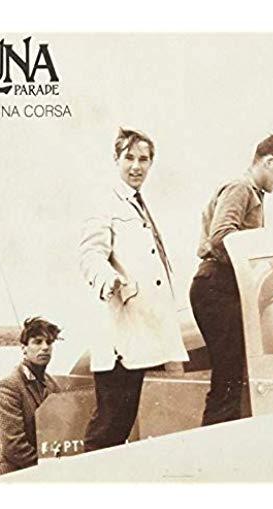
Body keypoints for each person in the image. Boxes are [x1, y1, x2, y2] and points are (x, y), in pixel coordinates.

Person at [79, 127, 188, 452]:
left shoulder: (139, 205)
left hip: (146, 333)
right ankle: (87, 478)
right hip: (122, 334)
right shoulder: (104, 202)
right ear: (116, 159)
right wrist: (106, 278)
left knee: (124, 422)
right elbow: (90, 253)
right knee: (109, 425)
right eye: (129, 158)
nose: (136, 166)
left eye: (144, 159)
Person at [190, 134, 273, 426]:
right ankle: (216, 439)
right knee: (228, 374)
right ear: (268, 162)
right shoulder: (241, 188)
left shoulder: (254, 195)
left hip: (225, 286)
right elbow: (221, 236)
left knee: (232, 374)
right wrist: (264, 256)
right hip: (217, 285)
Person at [0, 316, 62, 477]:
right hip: (14, 475)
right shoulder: (8, 386)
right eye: (37, 342)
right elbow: (13, 445)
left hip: (41, 472)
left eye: (49, 342)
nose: (45, 347)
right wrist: (46, 468)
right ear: (24, 348)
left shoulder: (53, 384)